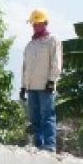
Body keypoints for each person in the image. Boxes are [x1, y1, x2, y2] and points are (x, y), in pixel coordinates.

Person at [20, 8, 63, 152]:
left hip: (45, 86)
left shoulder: (52, 41)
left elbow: (56, 62)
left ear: (45, 23)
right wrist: (23, 87)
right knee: (35, 118)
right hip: (31, 87)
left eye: (38, 23)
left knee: (47, 116)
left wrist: (52, 81)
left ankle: (49, 144)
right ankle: (38, 145)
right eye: (34, 24)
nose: (35, 26)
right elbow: (25, 67)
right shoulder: (30, 45)